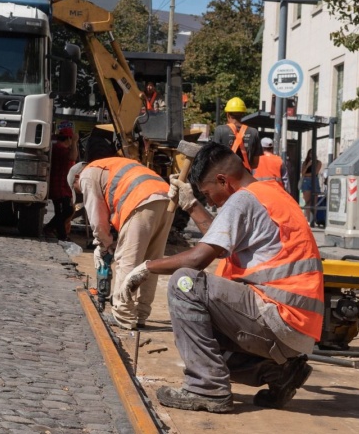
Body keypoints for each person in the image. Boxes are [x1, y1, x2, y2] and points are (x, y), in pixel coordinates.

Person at [116, 142, 323, 413]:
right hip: (298, 328)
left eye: (207, 193)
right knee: (197, 337)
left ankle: (207, 390)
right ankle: (279, 374)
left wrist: (146, 266)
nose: (210, 202)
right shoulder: (268, 193)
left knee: (185, 283)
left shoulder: (242, 199)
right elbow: (219, 235)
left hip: (277, 317)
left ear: (223, 180)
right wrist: (190, 205)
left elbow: (198, 259)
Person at [69, 156, 174, 331]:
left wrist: (103, 244)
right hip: (166, 196)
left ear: (77, 178)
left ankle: (123, 317)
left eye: (77, 190)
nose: (81, 193)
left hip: (141, 199)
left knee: (128, 261)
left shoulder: (87, 175)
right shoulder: (110, 165)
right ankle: (141, 314)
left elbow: (97, 218)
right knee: (151, 262)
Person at [44, 126, 77, 240]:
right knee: (67, 211)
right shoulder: (61, 149)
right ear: (68, 138)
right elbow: (73, 156)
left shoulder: (56, 148)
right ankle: (49, 228)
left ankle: (62, 235)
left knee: (60, 211)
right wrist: (75, 143)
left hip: (59, 185)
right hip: (60, 187)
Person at [212, 97, 261, 172]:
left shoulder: (220, 130)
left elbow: (214, 158)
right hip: (245, 177)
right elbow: (255, 164)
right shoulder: (253, 132)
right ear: (242, 114)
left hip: (225, 176)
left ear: (228, 114)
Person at [301, 149, 323, 226]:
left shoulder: (318, 162)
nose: (311, 155)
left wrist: (307, 174)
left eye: (313, 154)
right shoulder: (305, 163)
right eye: (310, 154)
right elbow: (303, 173)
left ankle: (313, 219)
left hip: (314, 181)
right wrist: (308, 166)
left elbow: (315, 173)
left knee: (314, 201)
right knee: (308, 202)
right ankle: (307, 218)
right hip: (306, 182)